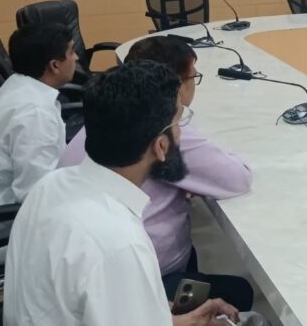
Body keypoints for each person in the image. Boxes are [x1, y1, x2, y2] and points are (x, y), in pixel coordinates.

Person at [4, 60, 239, 326]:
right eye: (178, 122)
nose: (181, 133)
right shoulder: (118, 243)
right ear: (161, 146)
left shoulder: (50, 184)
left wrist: (178, 319)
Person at [59, 36, 255, 311]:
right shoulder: (123, 239)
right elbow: (236, 178)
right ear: (161, 147)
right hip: (145, 281)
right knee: (240, 293)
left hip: (96, 288)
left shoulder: (103, 124)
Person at [0, 23, 77, 213]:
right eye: (72, 51)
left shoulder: (18, 85)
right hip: (5, 218)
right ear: (55, 65)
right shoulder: (34, 113)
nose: (76, 57)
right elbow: (36, 195)